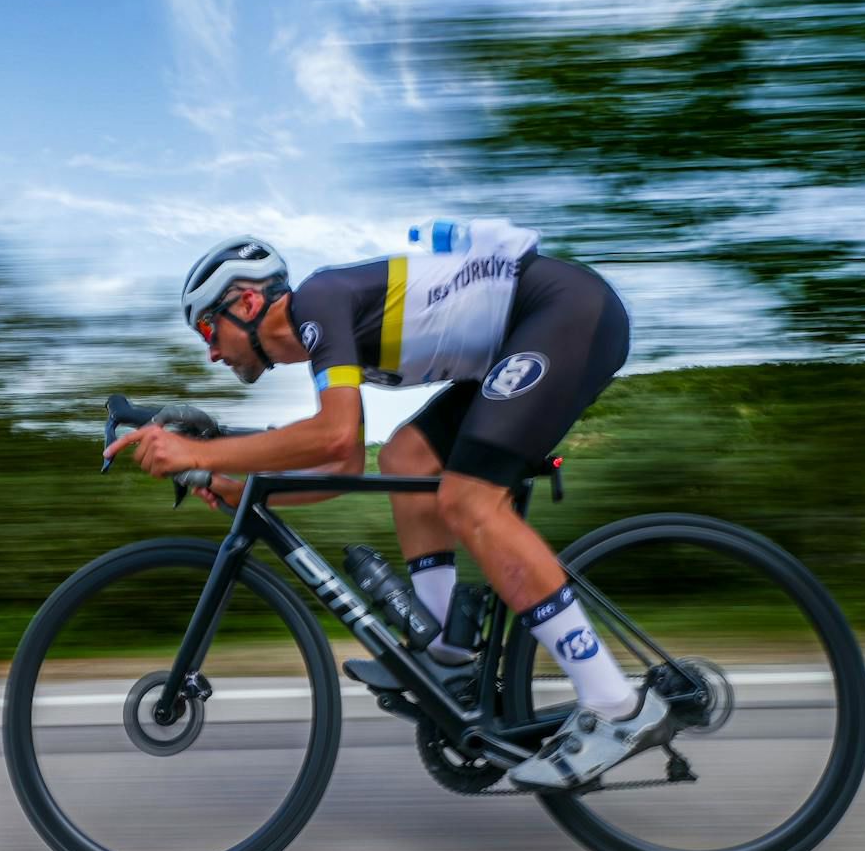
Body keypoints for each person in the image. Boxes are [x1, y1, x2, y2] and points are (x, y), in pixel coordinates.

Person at [102, 224, 671, 791]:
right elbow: (343, 467)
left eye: (207, 326)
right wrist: (231, 484)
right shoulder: (327, 340)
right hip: (526, 333)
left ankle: (615, 706)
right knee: (405, 457)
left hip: (565, 313)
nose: (209, 351)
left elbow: (332, 436)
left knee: (470, 499)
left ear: (247, 301)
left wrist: (199, 450)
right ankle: (450, 654)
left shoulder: (319, 302)